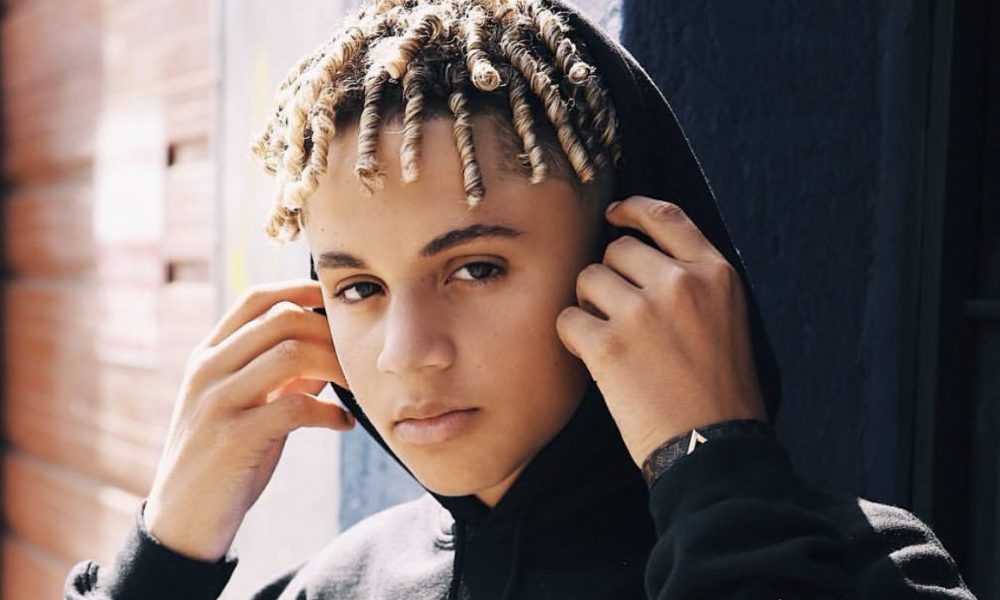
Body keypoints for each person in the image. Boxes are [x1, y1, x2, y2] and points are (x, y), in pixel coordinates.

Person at [64, 0, 978, 598]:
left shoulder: (857, 569)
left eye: (476, 269)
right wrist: (165, 557)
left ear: (629, 265)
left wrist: (718, 470)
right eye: (360, 287)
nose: (405, 353)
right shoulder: (342, 583)